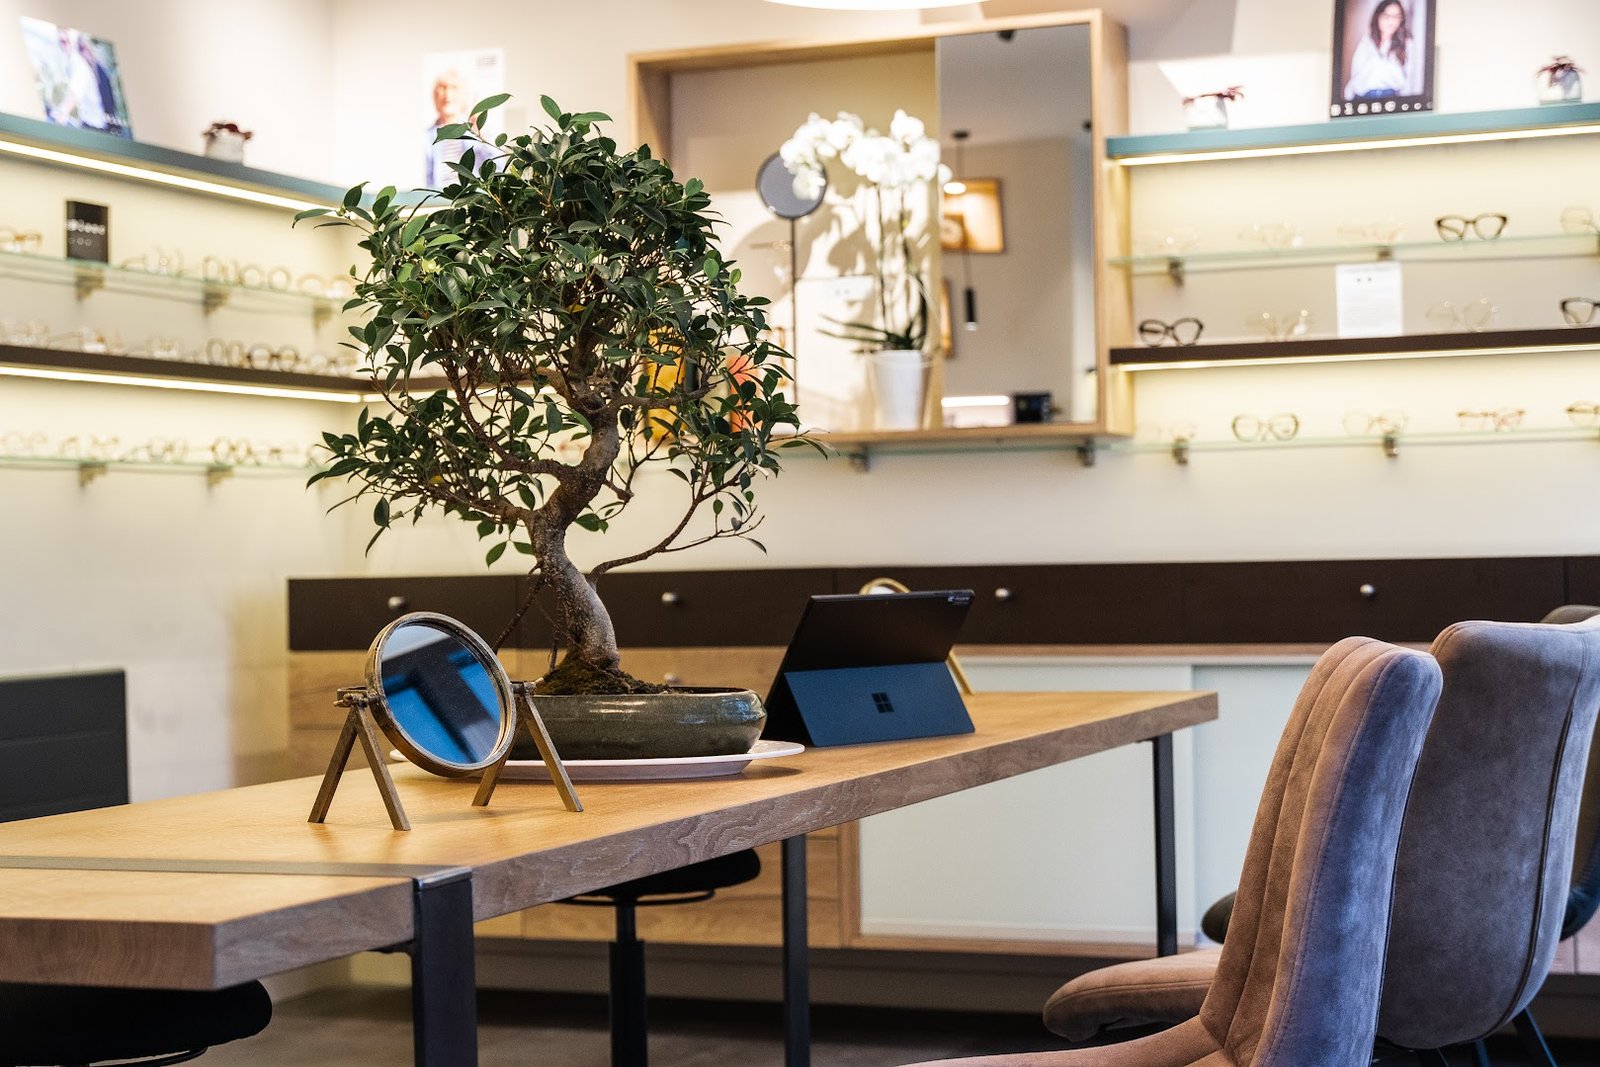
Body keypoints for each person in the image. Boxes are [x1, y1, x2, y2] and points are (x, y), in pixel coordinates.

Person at [1343, 0, 1421, 100]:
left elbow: (1409, 81)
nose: (1391, 21)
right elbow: (1355, 76)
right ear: (1378, 17)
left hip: (1391, 98)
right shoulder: (1366, 42)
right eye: (1387, 16)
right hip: (1363, 99)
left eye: (1396, 16)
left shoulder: (1406, 43)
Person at [424, 68, 474, 187]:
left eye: (453, 87)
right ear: (435, 96)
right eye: (442, 88)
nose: (447, 94)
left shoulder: (476, 131)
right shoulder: (426, 137)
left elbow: (497, 166)